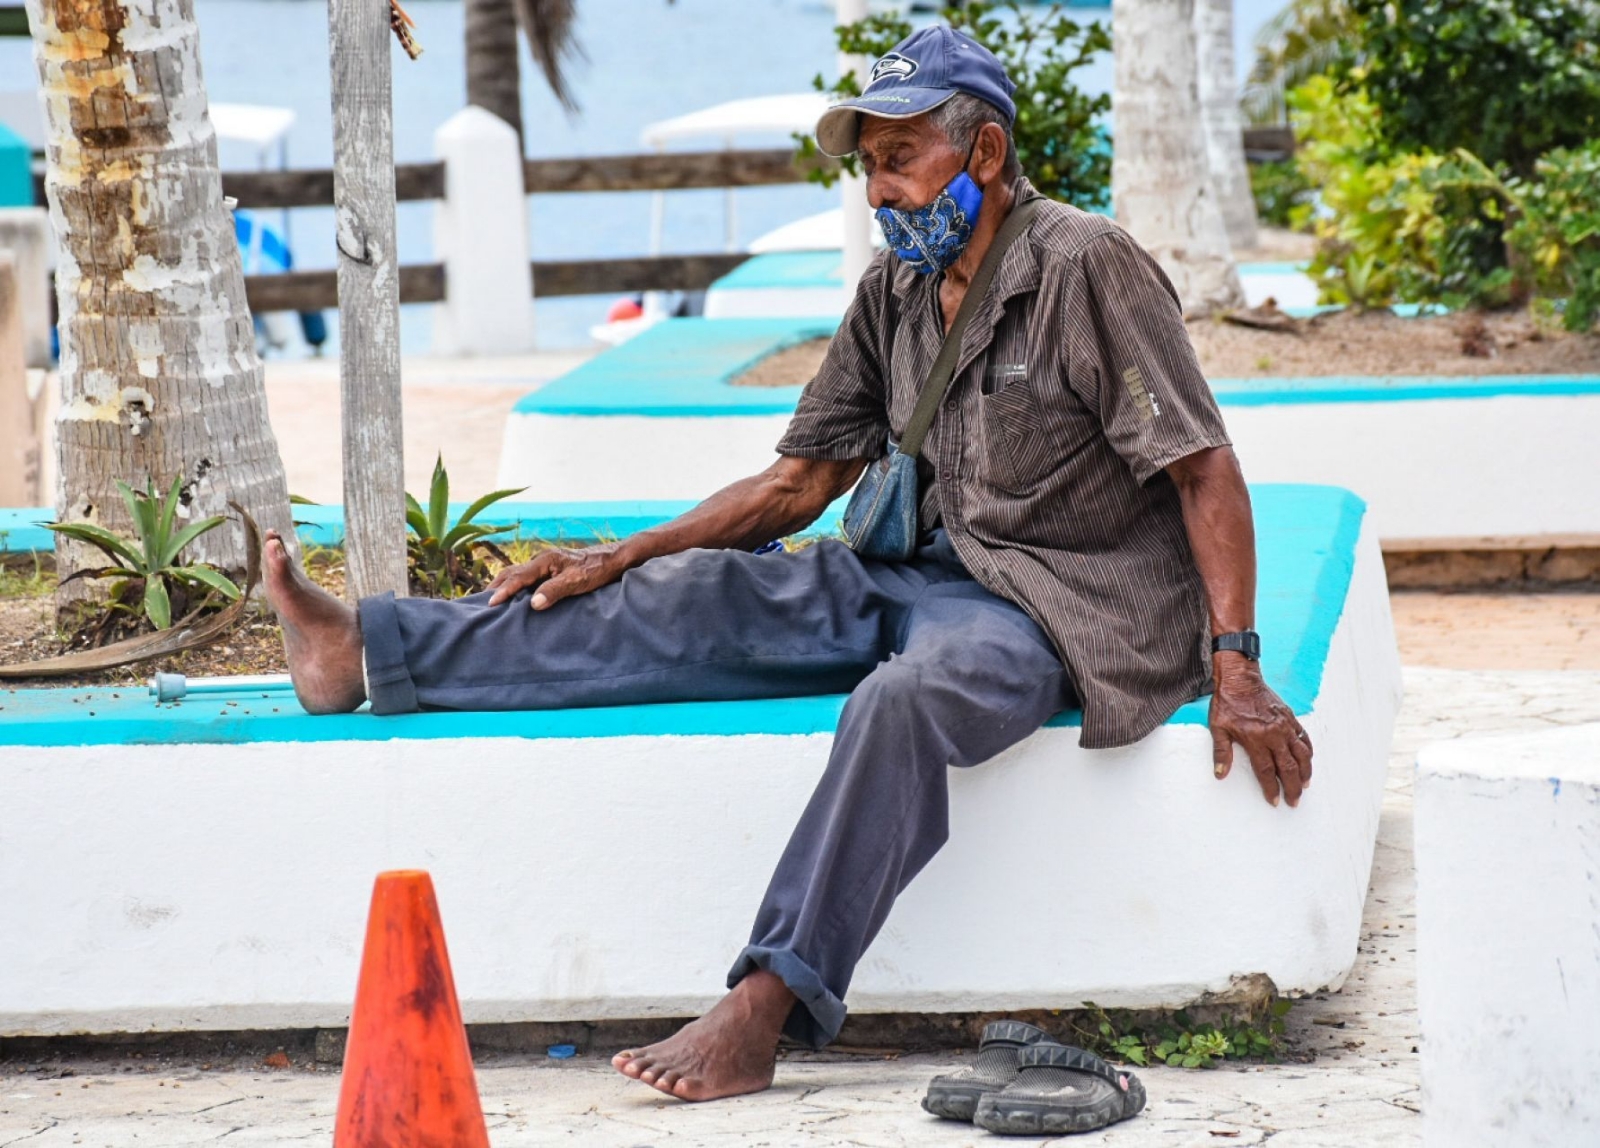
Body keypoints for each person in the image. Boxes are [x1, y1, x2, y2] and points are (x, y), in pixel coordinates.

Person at [262, 25, 1312, 1105]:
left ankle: (764, 1005)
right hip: (913, 572)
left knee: (900, 704)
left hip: (1050, 605)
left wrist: (1235, 664)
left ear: (985, 155)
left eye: (900, 158)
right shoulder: (895, 289)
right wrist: (624, 553)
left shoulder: (1084, 264)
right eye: (867, 165)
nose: (880, 187)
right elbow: (795, 486)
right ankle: (364, 648)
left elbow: (1203, 469)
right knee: (685, 596)